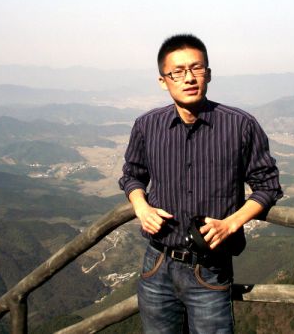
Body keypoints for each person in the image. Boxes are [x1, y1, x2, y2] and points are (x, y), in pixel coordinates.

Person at [119, 34, 282, 333]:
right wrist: (141, 206)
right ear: (163, 81)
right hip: (157, 262)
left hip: (211, 266)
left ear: (208, 74)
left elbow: (268, 185)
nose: (189, 78)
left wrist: (231, 224)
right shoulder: (147, 126)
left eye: (197, 68)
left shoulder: (240, 125)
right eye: (177, 72)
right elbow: (132, 174)